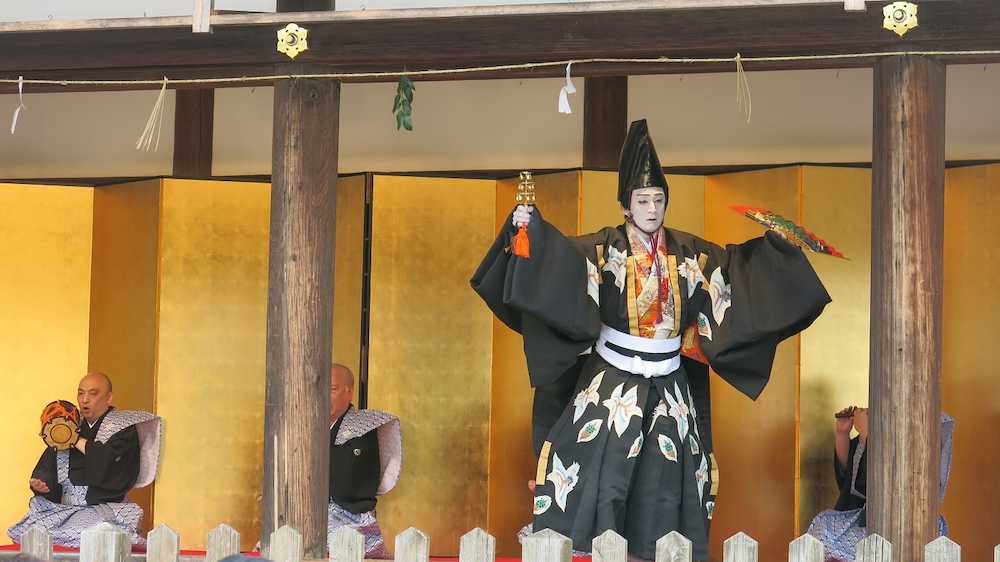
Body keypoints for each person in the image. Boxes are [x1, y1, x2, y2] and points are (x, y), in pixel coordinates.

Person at [471, 119, 830, 561]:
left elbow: (738, 274)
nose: (652, 208)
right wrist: (528, 229)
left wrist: (778, 250)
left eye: (659, 199)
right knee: (599, 477)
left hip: (670, 385)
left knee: (669, 481)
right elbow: (558, 267)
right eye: (642, 199)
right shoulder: (602, 251)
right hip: (610, 385)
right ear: (625, 205)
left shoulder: (690, 253)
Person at [8, 372, 162, 547]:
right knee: (32, 530)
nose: (85, 400)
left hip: (102, 508)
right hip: (65, 510)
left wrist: (76, 440)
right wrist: (42, 485)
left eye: (93, 393)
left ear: (109, 397)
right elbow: (49, 466)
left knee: (97, 533)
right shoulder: (68, 424)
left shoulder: (122, 427)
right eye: (81, 393)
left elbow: (110, 466)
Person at [807, 406, 954, 562]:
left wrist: (867, 436)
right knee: (823, 527)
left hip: (909, 520)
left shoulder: (916, 435)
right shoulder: (882, 428)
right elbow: (851, 478)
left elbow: (883, 481)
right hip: (871, 517)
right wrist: (843, 433)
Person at [327, 364, 401, 559]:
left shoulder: (364, 427)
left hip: (352, 515)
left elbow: (351, 479)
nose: (325, 395)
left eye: (332, 389)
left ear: (349, 392)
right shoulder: (310, 426)